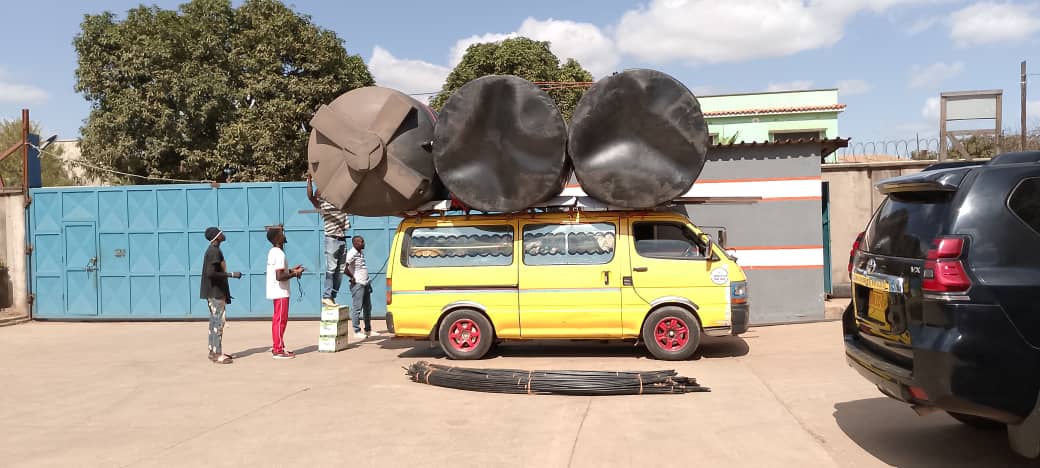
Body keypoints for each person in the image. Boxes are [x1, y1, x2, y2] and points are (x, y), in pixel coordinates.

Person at [306, 174, 350, 308]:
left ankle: (331, 296)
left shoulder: (341, 202)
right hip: (331, 238)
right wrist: (309, 180)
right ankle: (326, 295)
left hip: (342, 238)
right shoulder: (323, 205)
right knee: (331, 268)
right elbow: (311, 196)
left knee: (340, 270)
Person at [199, 227, 241, 365]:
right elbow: (210, 273)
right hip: (215, 292)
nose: (223, 234)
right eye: (220, 233)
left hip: (213, 292)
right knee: (218, 322)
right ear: (216, 237)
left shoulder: (213, 251)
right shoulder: (214, 252)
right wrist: (231, 274)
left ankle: (213, 352)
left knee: (214, 322)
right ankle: (217, 354)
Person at [266, 225, 305, 359]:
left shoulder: (273, 252)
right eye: (282, 233)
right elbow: (279, 277)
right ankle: (278, 350)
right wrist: (296, 274)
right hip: (281, 292)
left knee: (277, 319)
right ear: (277, 238)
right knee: (280, 321)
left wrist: (292, 270)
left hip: (277, 291)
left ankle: (277, 346)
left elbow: (280, 272)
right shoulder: (279, 254)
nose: (285, 235)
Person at [344, 235, 374, 339]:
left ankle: (368, 330)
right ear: (355, 243)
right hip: (358, 284)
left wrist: (368, 282)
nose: (364, 243)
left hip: (365, 283)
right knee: (357, 309)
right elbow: (344, 267)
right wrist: (352, 277)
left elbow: (362, 269)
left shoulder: (360, 253)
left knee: (368, 308)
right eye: (362, 242)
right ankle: (356, 331)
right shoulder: (351, 253)